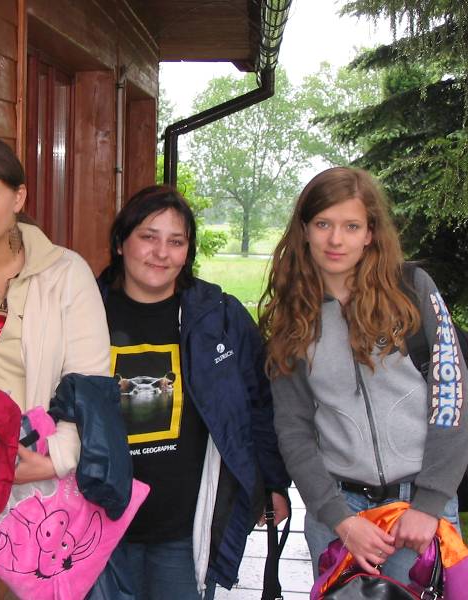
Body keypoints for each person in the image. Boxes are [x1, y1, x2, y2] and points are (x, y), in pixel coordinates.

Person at [258, 166, 468, 583]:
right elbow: (293, 428)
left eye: (351, 226)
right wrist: (339, 519)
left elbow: (453, 399)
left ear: (370, 233)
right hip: (339, 515)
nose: (336, 240)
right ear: (304, 230)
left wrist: (429, 504)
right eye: (323, 224)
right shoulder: (292, 315)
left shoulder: (411, 290)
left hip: (419, 513)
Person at [98, 185, 290, 599]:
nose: (161, 253)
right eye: (148, 237)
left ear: (188, 252)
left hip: (184, 529)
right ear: (120, 242)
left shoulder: (218, 318)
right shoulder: (85, 310)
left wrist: (272, 483)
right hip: (98, 525)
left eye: (176, 241)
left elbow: (259, 403)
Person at [0, 137, 111, 595]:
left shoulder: (66, 273)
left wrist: (57, 457)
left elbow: (89, 382)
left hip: (41, 480)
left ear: (19, 197)